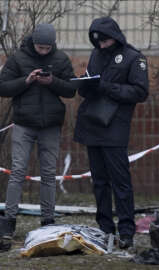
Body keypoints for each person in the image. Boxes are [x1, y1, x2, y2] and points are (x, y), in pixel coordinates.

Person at [74, 17, 149, 249]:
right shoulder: (97, 54)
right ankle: (105, 227)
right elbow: (91, 81)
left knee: (120, 181)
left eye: (105, 41)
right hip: (92, 124)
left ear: (115, 37)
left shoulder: (134, 58)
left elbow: (140, 91)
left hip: (115, 126)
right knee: (99, 181)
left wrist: (107, 87)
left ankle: (126, 230)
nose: (102, 45)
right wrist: (84, 85)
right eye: (98, 42)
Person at [0, 24, 76, 246]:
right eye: (40, 47)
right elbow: (2, 87)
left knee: (49, 174)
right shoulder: (18, 59)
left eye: (47, 48)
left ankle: (48, 221)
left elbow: (71, 89)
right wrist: (27, 80)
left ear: (53, 45)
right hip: (24, 123)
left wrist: (52, 81)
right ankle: (9, 221)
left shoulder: (61, 59)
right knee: (18, 172)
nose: (43, 51)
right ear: (33, 43)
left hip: (51, 124)